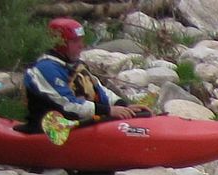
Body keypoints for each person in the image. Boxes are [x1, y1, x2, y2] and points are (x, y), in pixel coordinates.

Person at [23, 17, 151, 134]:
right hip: (52, 130)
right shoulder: (45, 69)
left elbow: (99, 91)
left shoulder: (75, 65)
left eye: (81, 40)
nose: (81, 46)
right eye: (75, 41)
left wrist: (123, 105)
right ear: (60, 44)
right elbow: (68, 105)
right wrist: (108, 110)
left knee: (142, 114)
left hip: (81, 124)